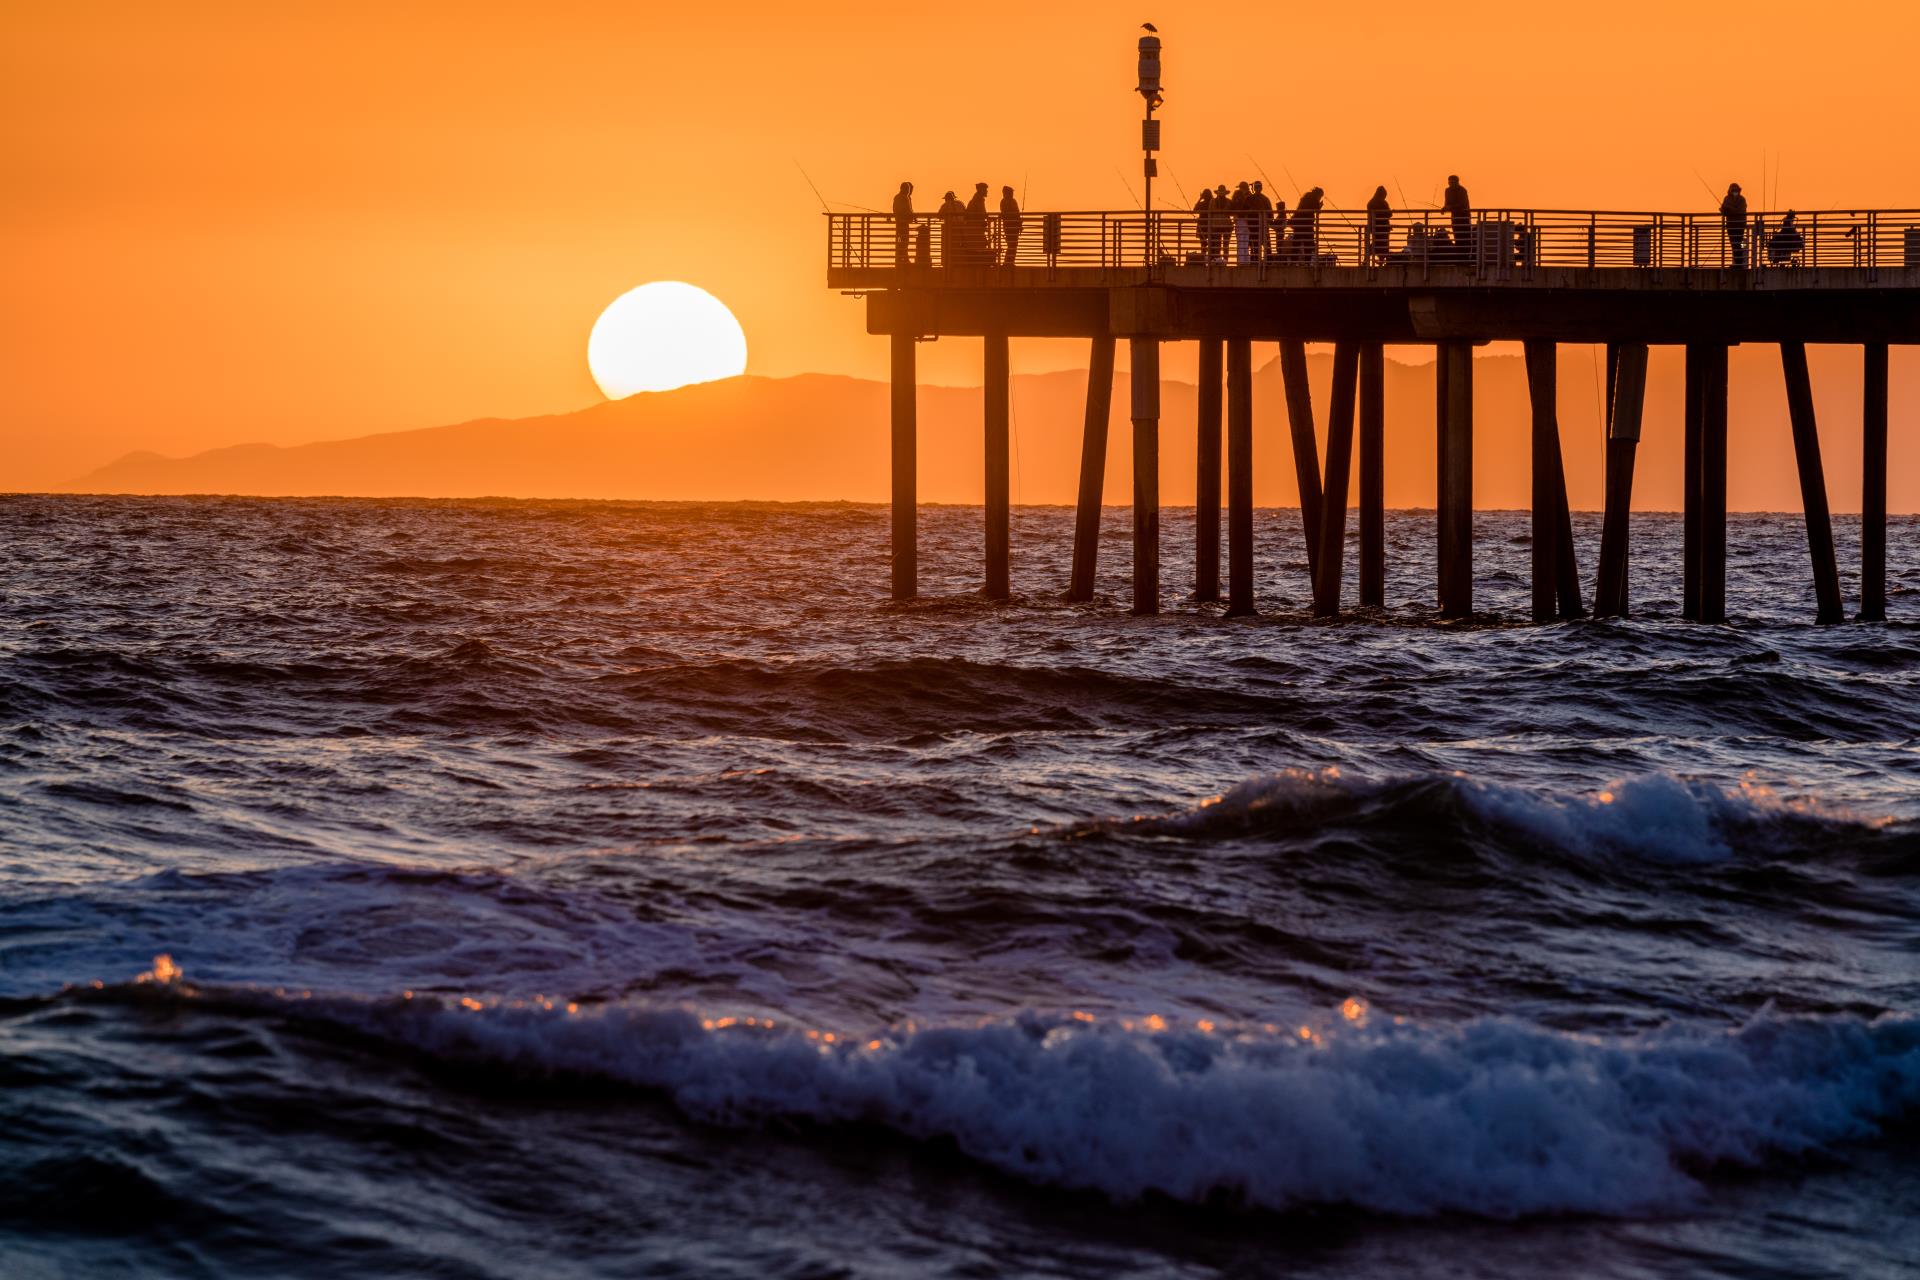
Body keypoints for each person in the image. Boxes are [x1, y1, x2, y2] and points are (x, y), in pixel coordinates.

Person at [1721, 182, 1749, 268]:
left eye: (1736, 190)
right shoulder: (1726, 199)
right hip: (1730, 225)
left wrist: (1729, 209)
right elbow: (1724, 210)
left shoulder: (1742, 199)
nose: (1735, 192)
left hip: (1740, 225)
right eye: (1733, 190)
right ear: (1730, 190)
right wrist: (1723, 210)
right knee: (1733, 244)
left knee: (1739, 243)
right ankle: (1737, 262)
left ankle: (1739, 263)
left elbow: (1741, 210)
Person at [1443, 175, 1471, 258]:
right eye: (1449, 182)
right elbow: (1447, 203)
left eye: (1452, 182)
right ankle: (1459, 255)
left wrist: (1450, 207)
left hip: (1464, 217)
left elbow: (1463, 204)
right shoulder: (1447, 190)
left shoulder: (1462, 190)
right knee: (1457, 235)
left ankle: (1466, 256)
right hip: (1455, 217)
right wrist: (1444, 208)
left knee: (1465, 237)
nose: (1450, 184)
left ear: (1457, 182)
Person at [937, 189, 966, 267]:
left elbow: (939, 215)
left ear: (946, 198)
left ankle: (951, 262)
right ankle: (959, 262)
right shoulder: (960, 203)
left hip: (951, 228)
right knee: (959, 245)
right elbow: (966, 213)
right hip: (961, 227)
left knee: (950, 246)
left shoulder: (945, 205)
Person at [964, 183, 990, 266]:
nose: (987, 191)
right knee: (980, 246)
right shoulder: (979, 200)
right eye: (985, 189)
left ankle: (976, 262)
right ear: (980, 190)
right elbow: (982, 213)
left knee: (977, 247)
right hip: (976, 229)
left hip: (973, 229)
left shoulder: (974, 200)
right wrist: (987, 219)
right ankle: (979, 264)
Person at [1366, 185, 1391, 264]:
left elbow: (1369, 216)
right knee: (1383, 245)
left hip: (1375, 228)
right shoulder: (1383, 203)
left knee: (1375, 243)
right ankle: (1381, 260)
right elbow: (1389, 214)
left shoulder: (1370, 203)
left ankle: (1366, 260)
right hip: (1383, 228)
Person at [998, 186, 1024, 266]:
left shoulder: (1004, 202)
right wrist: (1019, 223)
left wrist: (1018, 224)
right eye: (1011, 192)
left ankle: (1009, 262)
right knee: (1012, 245)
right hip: (1011, 227)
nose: (1012, 194)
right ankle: (1008, 262)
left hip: (1010, 226)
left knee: (1012, 245)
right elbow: (1015, 214)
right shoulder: (1009, 202)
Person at [1230, 181, 1254, 264]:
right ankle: (1246, 261)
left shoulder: (1236, 199)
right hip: (1247, 222)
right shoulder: (1250, 197)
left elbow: (1232, 210)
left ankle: (1240, 261)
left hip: (1239, 222)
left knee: (1240, 243)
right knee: (1246, 243)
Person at [892, 181, 915, 267]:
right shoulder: (905, 198)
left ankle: (899, 258)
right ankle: (905, 258)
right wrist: (912, 217)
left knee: (899, 241)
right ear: (905, 189)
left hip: (898, 224)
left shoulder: (896, 197)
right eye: (908, 189)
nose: (909, 191)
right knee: (905, 241)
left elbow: (894, 209)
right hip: (904, 224)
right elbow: (908, 210)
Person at [1250, 180, 1274, 261]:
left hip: (1262, 226)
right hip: (1255, 227)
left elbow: (1270, 213)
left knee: (1265, 245)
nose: (1257, 188)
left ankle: (1267, 260)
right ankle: (1258, 260)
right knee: (1257, 245)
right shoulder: (1263, 199)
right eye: (1256, 187)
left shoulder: (1263, 199)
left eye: (1258, 187)